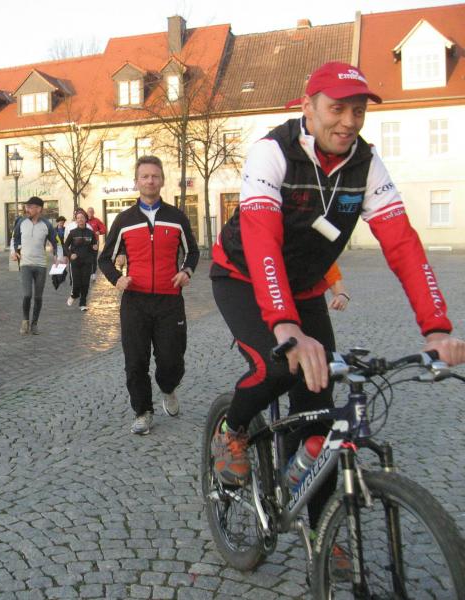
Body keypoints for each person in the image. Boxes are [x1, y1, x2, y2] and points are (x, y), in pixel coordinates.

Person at [209, 61, 465, 530]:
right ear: (308, 107)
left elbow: (403, 246)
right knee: (279, 366)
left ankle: (323, 535)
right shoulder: (272, 151)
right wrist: (285, 324)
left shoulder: (366, 163)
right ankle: (233, 429)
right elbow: (262, 238)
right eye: (337, 109)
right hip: (242, 275)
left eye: (358, 110)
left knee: (319, 413)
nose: (349, 121)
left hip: (305, 286)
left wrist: (436, 328)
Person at [98, 155, 199, 435]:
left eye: (155, 176)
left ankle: (168, 387)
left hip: (170, 300)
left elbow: (192, 251)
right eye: (145, 176)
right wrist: (117, 279)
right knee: (135, 361)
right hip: (135, 301)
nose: (150, 181)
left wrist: (187, 271)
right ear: (136, 182)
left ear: (162, 180)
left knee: (172, 359)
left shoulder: (177, 217)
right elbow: (105, 258)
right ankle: (143, 411)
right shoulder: (124, 219)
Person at [11, 196, 62, 335]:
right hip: (25, 264)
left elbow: (57, 242)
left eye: (30, 207)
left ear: (39, 209)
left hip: (40, 265)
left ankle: (34, 324)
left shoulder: (47, 225)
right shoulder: (21, 222)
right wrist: (14, 252)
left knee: (38, 297)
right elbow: (14, 238)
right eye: (26, 207)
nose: (27, 209)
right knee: (27, 295)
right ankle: (25, 321)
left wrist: (58, 257)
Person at [64, 208, 98, 311]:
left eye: (82, 218)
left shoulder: (90, 233)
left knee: (85, 283)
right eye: (78, 218)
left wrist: (94, 249)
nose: (80, 220)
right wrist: (70, 255)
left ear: (85, 219)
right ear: (76, 220)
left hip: (87, 262)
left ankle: (82, 303)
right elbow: (65, 246)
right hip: (75, 262)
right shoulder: (73, 233)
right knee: (76, 283)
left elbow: (94, 246)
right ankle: (74, 295)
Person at [86, 207, 107, 281]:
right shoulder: (84, 220)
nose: (90, 213)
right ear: (87, 213)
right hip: (86, 242)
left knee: (94, 258)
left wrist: (99, 232)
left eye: (91, 212)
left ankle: (93, 273)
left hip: (95, 242)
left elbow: (104, 229)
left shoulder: (96, 220)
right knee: (86, 257)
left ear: (93, 213)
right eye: (89, 212)